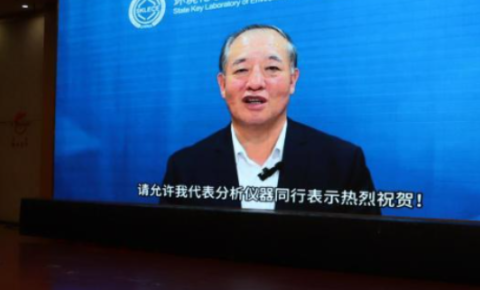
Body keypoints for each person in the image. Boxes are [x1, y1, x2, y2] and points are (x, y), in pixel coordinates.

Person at [160, 24, 380, 215]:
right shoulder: (184, 168)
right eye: (241, 69)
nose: (255, 82)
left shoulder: (343, 163)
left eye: (272, 68)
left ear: (293, 80)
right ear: (222, 85)